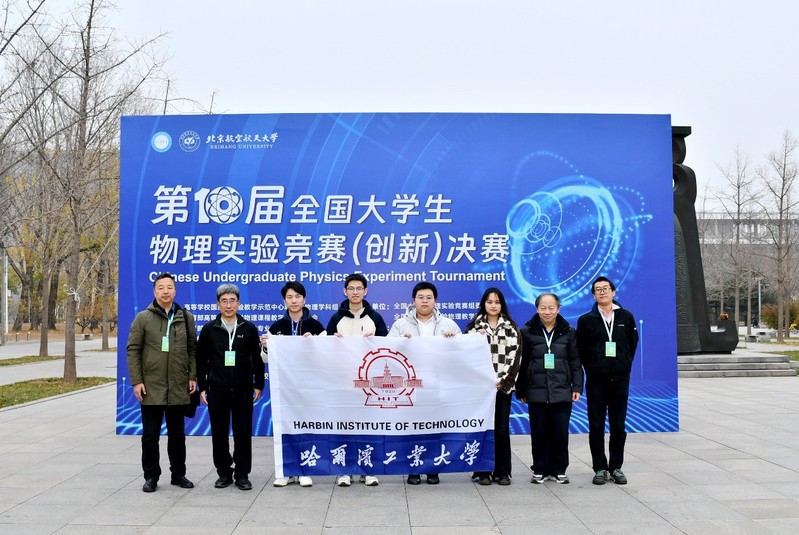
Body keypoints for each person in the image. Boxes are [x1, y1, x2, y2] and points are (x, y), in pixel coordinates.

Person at [126, 272, 197, 493]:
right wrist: (137, 381)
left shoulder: (186, 317)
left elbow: (192, 349)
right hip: (151, 386)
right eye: (161, 287)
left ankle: (178, 474)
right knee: (150, 436)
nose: (165, 291)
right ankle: (151, 476)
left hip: (177, 385)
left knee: (177, 435)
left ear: (175, 290)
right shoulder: (143, 318)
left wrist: (192, 376)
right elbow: (133, 350)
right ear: (154, 291)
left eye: (169, 287)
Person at [388, 281, 460, 485]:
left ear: (435, 300)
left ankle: (432, 468)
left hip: (437, 385)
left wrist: (452, 341)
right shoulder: (400, 324)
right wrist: (400, 342)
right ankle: (414, 468)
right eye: (421, 297)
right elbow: (388, 350)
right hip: (410, 387)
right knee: (412, 428)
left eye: (429, 297)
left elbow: (461, 352)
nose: (425, 301)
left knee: (434, 427)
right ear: (413, 300)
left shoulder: (448, 324)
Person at [196, 284, 264, 491]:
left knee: (243, 434)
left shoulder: (248, 328)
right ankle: (224, 473)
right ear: (218, 304)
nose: (228, 305)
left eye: (232, 301)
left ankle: (242, 474)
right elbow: (201, 360)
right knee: (219, 434)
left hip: (243, 390)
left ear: (238, 303)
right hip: (217, 390)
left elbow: (256, 359)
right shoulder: (209, 329)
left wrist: (258, 384)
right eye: (224, 301)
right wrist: (203, 387)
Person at [326, 273, 388, 487]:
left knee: (368, 426)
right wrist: (332, 341)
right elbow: (325, 349)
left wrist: (375, 341)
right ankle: (344, 470)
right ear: (345, 291)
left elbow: (386, 349)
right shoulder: (336, 319)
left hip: (368, 384)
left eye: (359, 288)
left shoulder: (375, 318)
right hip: (343, 382)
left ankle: (368, 469)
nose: (355, 292)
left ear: (365, 291)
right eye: (351, 288)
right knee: (345, 426)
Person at [263, 281, 326, 488]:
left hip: (308, 387)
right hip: (284, 387)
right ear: (284, 301)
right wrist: (266, 346)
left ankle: (304, 470)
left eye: (297, 296)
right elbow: (265, 358)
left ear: (304, 299)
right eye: (290, 297)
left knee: (305, 427)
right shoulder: (276, 327)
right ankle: (286, 471)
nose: (294, 301)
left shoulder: (316, 326)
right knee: (285, 428)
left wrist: (315, 343)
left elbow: (326, 355)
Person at [576, 276, 639, 486]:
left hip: (620, 379)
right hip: (596, 381)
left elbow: (632, 344)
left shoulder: (626, 317)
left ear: (613, 292)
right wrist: (593, 368)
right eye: (598, 289)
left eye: (605, 288)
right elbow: (581, 349)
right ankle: (600, 468)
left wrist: (624, 365)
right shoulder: (586, 320)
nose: (602, 292)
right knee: (596, 425)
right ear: (594, 295)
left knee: (618, 425)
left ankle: (616, 467)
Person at [516, 292, 583, 484]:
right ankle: (540, 469)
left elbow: (575, 361)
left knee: (560, 432)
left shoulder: (568, 331)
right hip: (536, 390)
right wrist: (521, 390)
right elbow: (522, 363)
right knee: (539, 432)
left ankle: (559, 469)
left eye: (551, 308)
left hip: (562, 390)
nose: (547, 312)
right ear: (537, 309)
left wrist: (577, 386)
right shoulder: (527, 332)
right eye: (543, 308)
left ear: (558, 309)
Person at [465, 287, 521, 486]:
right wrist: (482, 382)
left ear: (502, 304)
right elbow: (466, 358)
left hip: (502, 388)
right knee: (482, 428)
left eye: (497, 302)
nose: (493, 305)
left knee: (501, 429)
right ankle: (482, 471)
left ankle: (502, 471)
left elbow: (515, 357)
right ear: (484, 304)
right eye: (489, 302)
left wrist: (502, 382)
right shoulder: (474, 327)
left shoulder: (511, 327)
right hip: (480, 390)